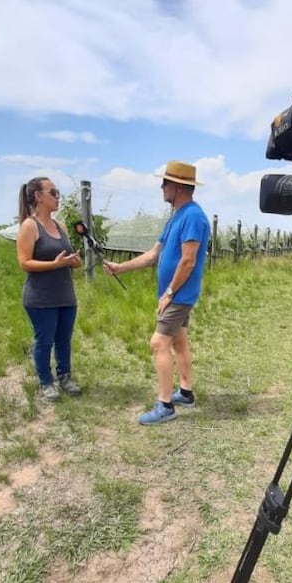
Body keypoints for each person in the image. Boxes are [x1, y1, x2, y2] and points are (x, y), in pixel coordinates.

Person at [103, 160, 210, 425]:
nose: (161, 187)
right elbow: (153, 255)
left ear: (178, 186)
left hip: (179, 295)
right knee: (179, 341)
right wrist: (120, 267)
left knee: (158, 343)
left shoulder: (194, 217)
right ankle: (185, 392)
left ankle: (165, 405)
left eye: (165, 182)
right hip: (176, 294)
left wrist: (170, 292)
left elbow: (188, 261)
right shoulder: (176, 216)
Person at [16, 176, 83, 401]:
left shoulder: (60, 226)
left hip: (65, 294)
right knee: (44, 340)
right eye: (53, 192)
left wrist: (73, 260)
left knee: (64, 339)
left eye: (57, 192)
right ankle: (46, 382)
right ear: (38, 196)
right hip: (41, 298)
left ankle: (65, 377)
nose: (58, 197)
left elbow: (69, 257)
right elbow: (24, 262)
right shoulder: (29, 226)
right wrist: (53, 265)